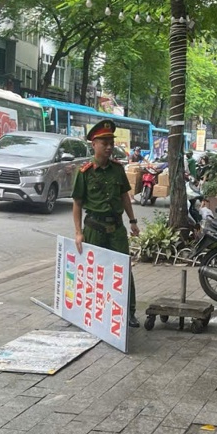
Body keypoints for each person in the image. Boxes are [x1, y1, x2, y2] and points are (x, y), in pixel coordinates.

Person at [72, 119, 142, 328]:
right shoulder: (84, 172)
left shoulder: (118, 170)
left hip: (116, 229)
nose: (109, 146)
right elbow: (77, 204)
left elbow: (124, 197)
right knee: (94, 273)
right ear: (94, 144)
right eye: (104, 142)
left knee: (123, 270)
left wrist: (132, 221)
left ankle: (129, 312)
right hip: (94, 228)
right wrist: (78, 233)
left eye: (111, 142)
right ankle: (94, 312)